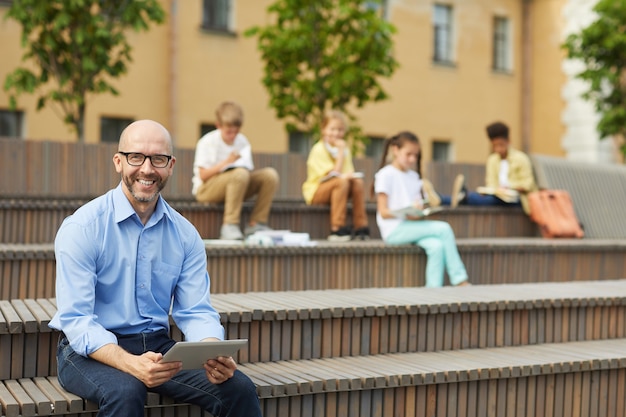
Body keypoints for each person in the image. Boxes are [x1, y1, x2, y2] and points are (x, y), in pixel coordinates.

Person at [49, 120, 262, 417]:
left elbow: (196, 311)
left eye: (158, 159)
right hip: (88, 350)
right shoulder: (82, 228)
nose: (147, 169)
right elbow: (77, 320)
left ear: (171, 165)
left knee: (238, 388)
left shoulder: (185, 235)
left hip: (158, 347)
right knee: (126, 391)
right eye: (136, 157)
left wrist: (213, 351)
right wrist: (130, 363)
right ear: (118, 161)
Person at [374, 131, 470, 287]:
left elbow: (420, 206)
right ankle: (460, 279)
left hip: (411, 226)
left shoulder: (414, 177)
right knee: (444, 229)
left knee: (436, 246)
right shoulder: (385, 175)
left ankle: (432, 290)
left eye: (416, 155)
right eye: (408, 154)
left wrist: (419, 211)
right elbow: (384, 213)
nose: (412, 159)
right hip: (394, 230)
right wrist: (405, 212)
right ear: (395, 150)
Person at [192, 101, 279, 240]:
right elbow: (203, 175)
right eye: (229, 132)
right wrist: (227, 162)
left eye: (236, 131)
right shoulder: (207, 142)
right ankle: (229, 225)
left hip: (237, 184)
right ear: (218, 126)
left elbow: (246, 171)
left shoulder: (242, 141)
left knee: (270, 175)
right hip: (206, 190)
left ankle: (256, 223)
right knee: (239, 174)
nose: (233, 135)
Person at [441, 121, 538, 213]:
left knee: (483, 199)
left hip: (518, 199)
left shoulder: (521, 158)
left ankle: (450, 198)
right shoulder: (492, 160)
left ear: (508, 141)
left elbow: (528, 184)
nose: (498, 149)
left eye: (501, 145)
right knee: (484, 198)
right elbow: (490, 183)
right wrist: (492, 190)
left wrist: (509, 187)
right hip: (497, 196)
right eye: (495, 146)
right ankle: (451, 198)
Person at [302, 110, 369, 241]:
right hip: (317, 191)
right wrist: (340, 152)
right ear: (323, 130)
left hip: (339, 189)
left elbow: (348, 174)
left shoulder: (345, 150)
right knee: (341, 182)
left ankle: (361, 226)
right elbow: (334, 175)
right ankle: (337, 229)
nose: (336, 133)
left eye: (340, 130)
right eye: (332, 129)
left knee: (357, 183)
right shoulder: (319, 149)